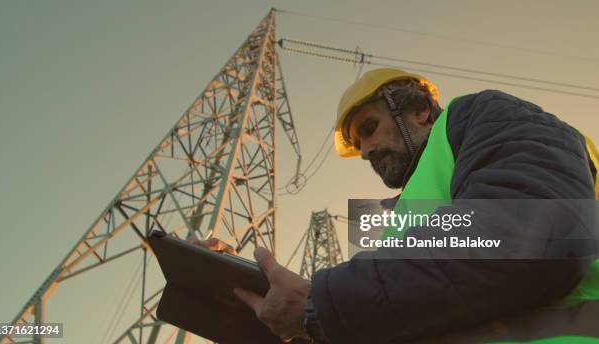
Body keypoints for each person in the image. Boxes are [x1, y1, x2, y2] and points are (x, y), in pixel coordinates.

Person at [194, 68, 599, 343]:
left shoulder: (478, 114)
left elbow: (531, 230)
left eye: (369, 129)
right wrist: (258, 306)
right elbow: (401, 310)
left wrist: (321, 303)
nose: (366, 150)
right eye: (358, 144)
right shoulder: (388, 223)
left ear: (419, 110)